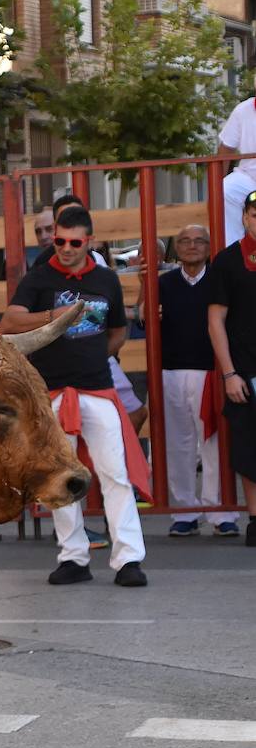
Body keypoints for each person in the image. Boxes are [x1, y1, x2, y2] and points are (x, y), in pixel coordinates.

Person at [4, 206, 149, 586]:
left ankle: (128, 559)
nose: (65, 248)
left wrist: (96, 354)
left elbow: (118, 330)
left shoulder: (106, 279)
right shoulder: (39, 277)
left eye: (74, 242)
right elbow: (10, 321)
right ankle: (73, 557)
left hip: (97, 388)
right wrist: (55, 315)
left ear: (90, 242)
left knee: (114, 473)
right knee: (59, 478)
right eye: (59, 241)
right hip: (52, 391)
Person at [154, 225, 240, 537]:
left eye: (199, 240)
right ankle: (185, 512)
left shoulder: (220, 280)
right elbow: (143, 319)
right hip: (170, 372)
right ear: (176, 248)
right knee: (177, 443)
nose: (192, 246)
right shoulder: (162, 283)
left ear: (209, 246)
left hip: (210, 373)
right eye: (185, 241)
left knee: (215, 443)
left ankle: (220, 512)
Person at [205, 189, 256, 546]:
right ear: (244, 218)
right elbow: (215, 322)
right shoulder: (226, 262)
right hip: (245, 372)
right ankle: (255, 518)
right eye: (254, 214)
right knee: (249, 450)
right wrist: (229, 373)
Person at [217, 94, 256, 246]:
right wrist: (215, 186)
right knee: (224, 190)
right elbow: (226, 148)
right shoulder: (243, 110)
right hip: (250, 178)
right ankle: (231, 254)